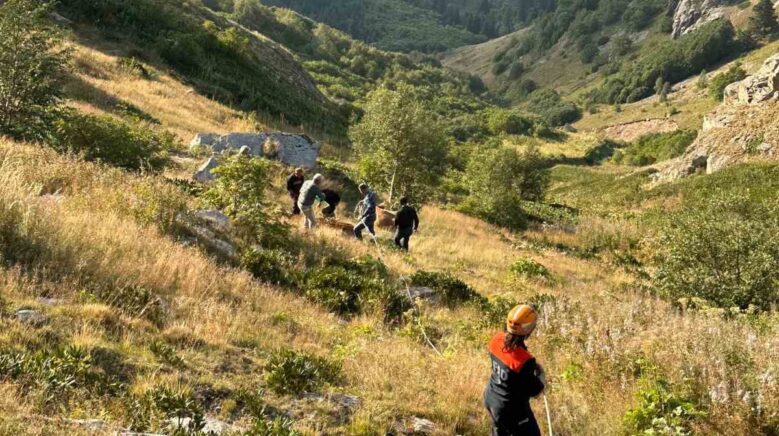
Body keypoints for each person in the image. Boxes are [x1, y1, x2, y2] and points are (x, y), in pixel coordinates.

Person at [484, 305, 546, 436]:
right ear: (529, 329)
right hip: (511, 411)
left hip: (491, 397)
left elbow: (507, 363)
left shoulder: (496, 339)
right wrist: (541, 376)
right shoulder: (525, 360)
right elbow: (534, 390)